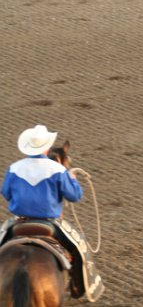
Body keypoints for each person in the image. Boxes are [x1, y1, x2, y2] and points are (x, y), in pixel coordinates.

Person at [0, 124, 104, 302]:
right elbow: (75, 196)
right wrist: (71, 178)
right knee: (79, 247)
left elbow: (6, 193)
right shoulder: (57, 170)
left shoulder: (15, 168)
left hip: (19, 223)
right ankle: (80, 287)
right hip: (50, 224)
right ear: (47, 147)